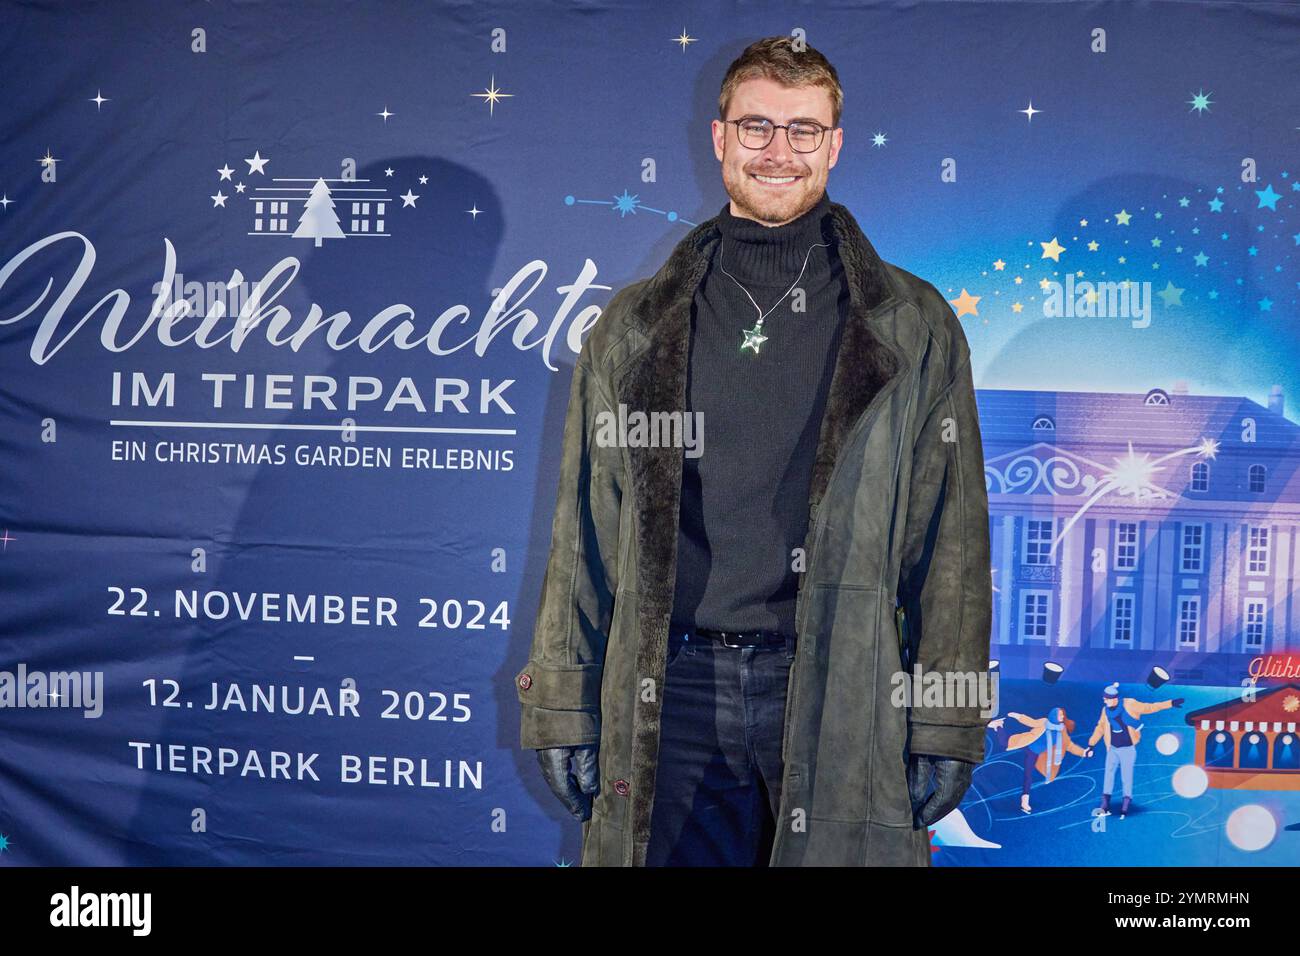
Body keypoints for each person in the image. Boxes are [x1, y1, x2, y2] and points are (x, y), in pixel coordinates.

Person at [517, 36, 992, 866]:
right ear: (719, 138)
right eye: (757, 126)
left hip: (839, 691)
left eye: (803, 131)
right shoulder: (633, 326)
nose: (779, 151)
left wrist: (948, 720)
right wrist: (563, 701)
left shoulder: (914, 323)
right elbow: (583, 532)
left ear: (835, 145)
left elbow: (950, 542)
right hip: (671, 695)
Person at [1089, 682, 1183, 819]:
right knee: (1108, 775)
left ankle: (1125, 805)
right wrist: (1091, 744)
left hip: (1127, 748)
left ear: (1114, 698)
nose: (1104, 700)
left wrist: (1170, 703)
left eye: (1106, 698)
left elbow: (1150, 707)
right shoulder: (1105, 711)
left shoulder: (1130, 704)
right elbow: (1100, 728)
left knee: (1126, 777)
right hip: (1113, 748)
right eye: (1104, 698)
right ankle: (1105, 805)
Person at [989, 707, 1091, 813]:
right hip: (1027, 743)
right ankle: (999, 726)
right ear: (1053, 716)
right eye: (1059, 715)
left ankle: (1024, 801)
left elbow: (1070, 745)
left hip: (1034, 754)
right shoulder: (1044, 722)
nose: (1062, 717)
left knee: (1028, 775)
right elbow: (1031, 722)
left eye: (1062, 715)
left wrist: (1084, 752)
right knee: (1004, 743)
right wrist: (1018, 716)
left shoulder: (1062, 731)